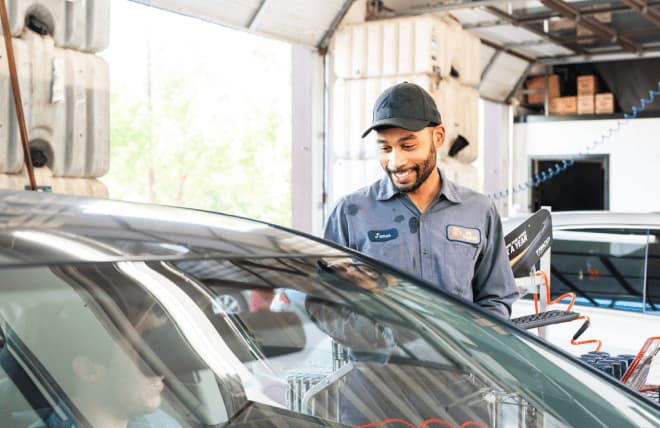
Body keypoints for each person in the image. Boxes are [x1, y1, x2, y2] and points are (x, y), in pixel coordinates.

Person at [324, 82, 518, 318]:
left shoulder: (479, 211)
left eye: (408, 146)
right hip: (381, 355)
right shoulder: (349, 213)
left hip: (456, 355)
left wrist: (479, 345)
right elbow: (327, 303)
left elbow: (496, 297)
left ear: (438, 137)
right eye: (385, 149)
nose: (396, 162)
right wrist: (372, 337)